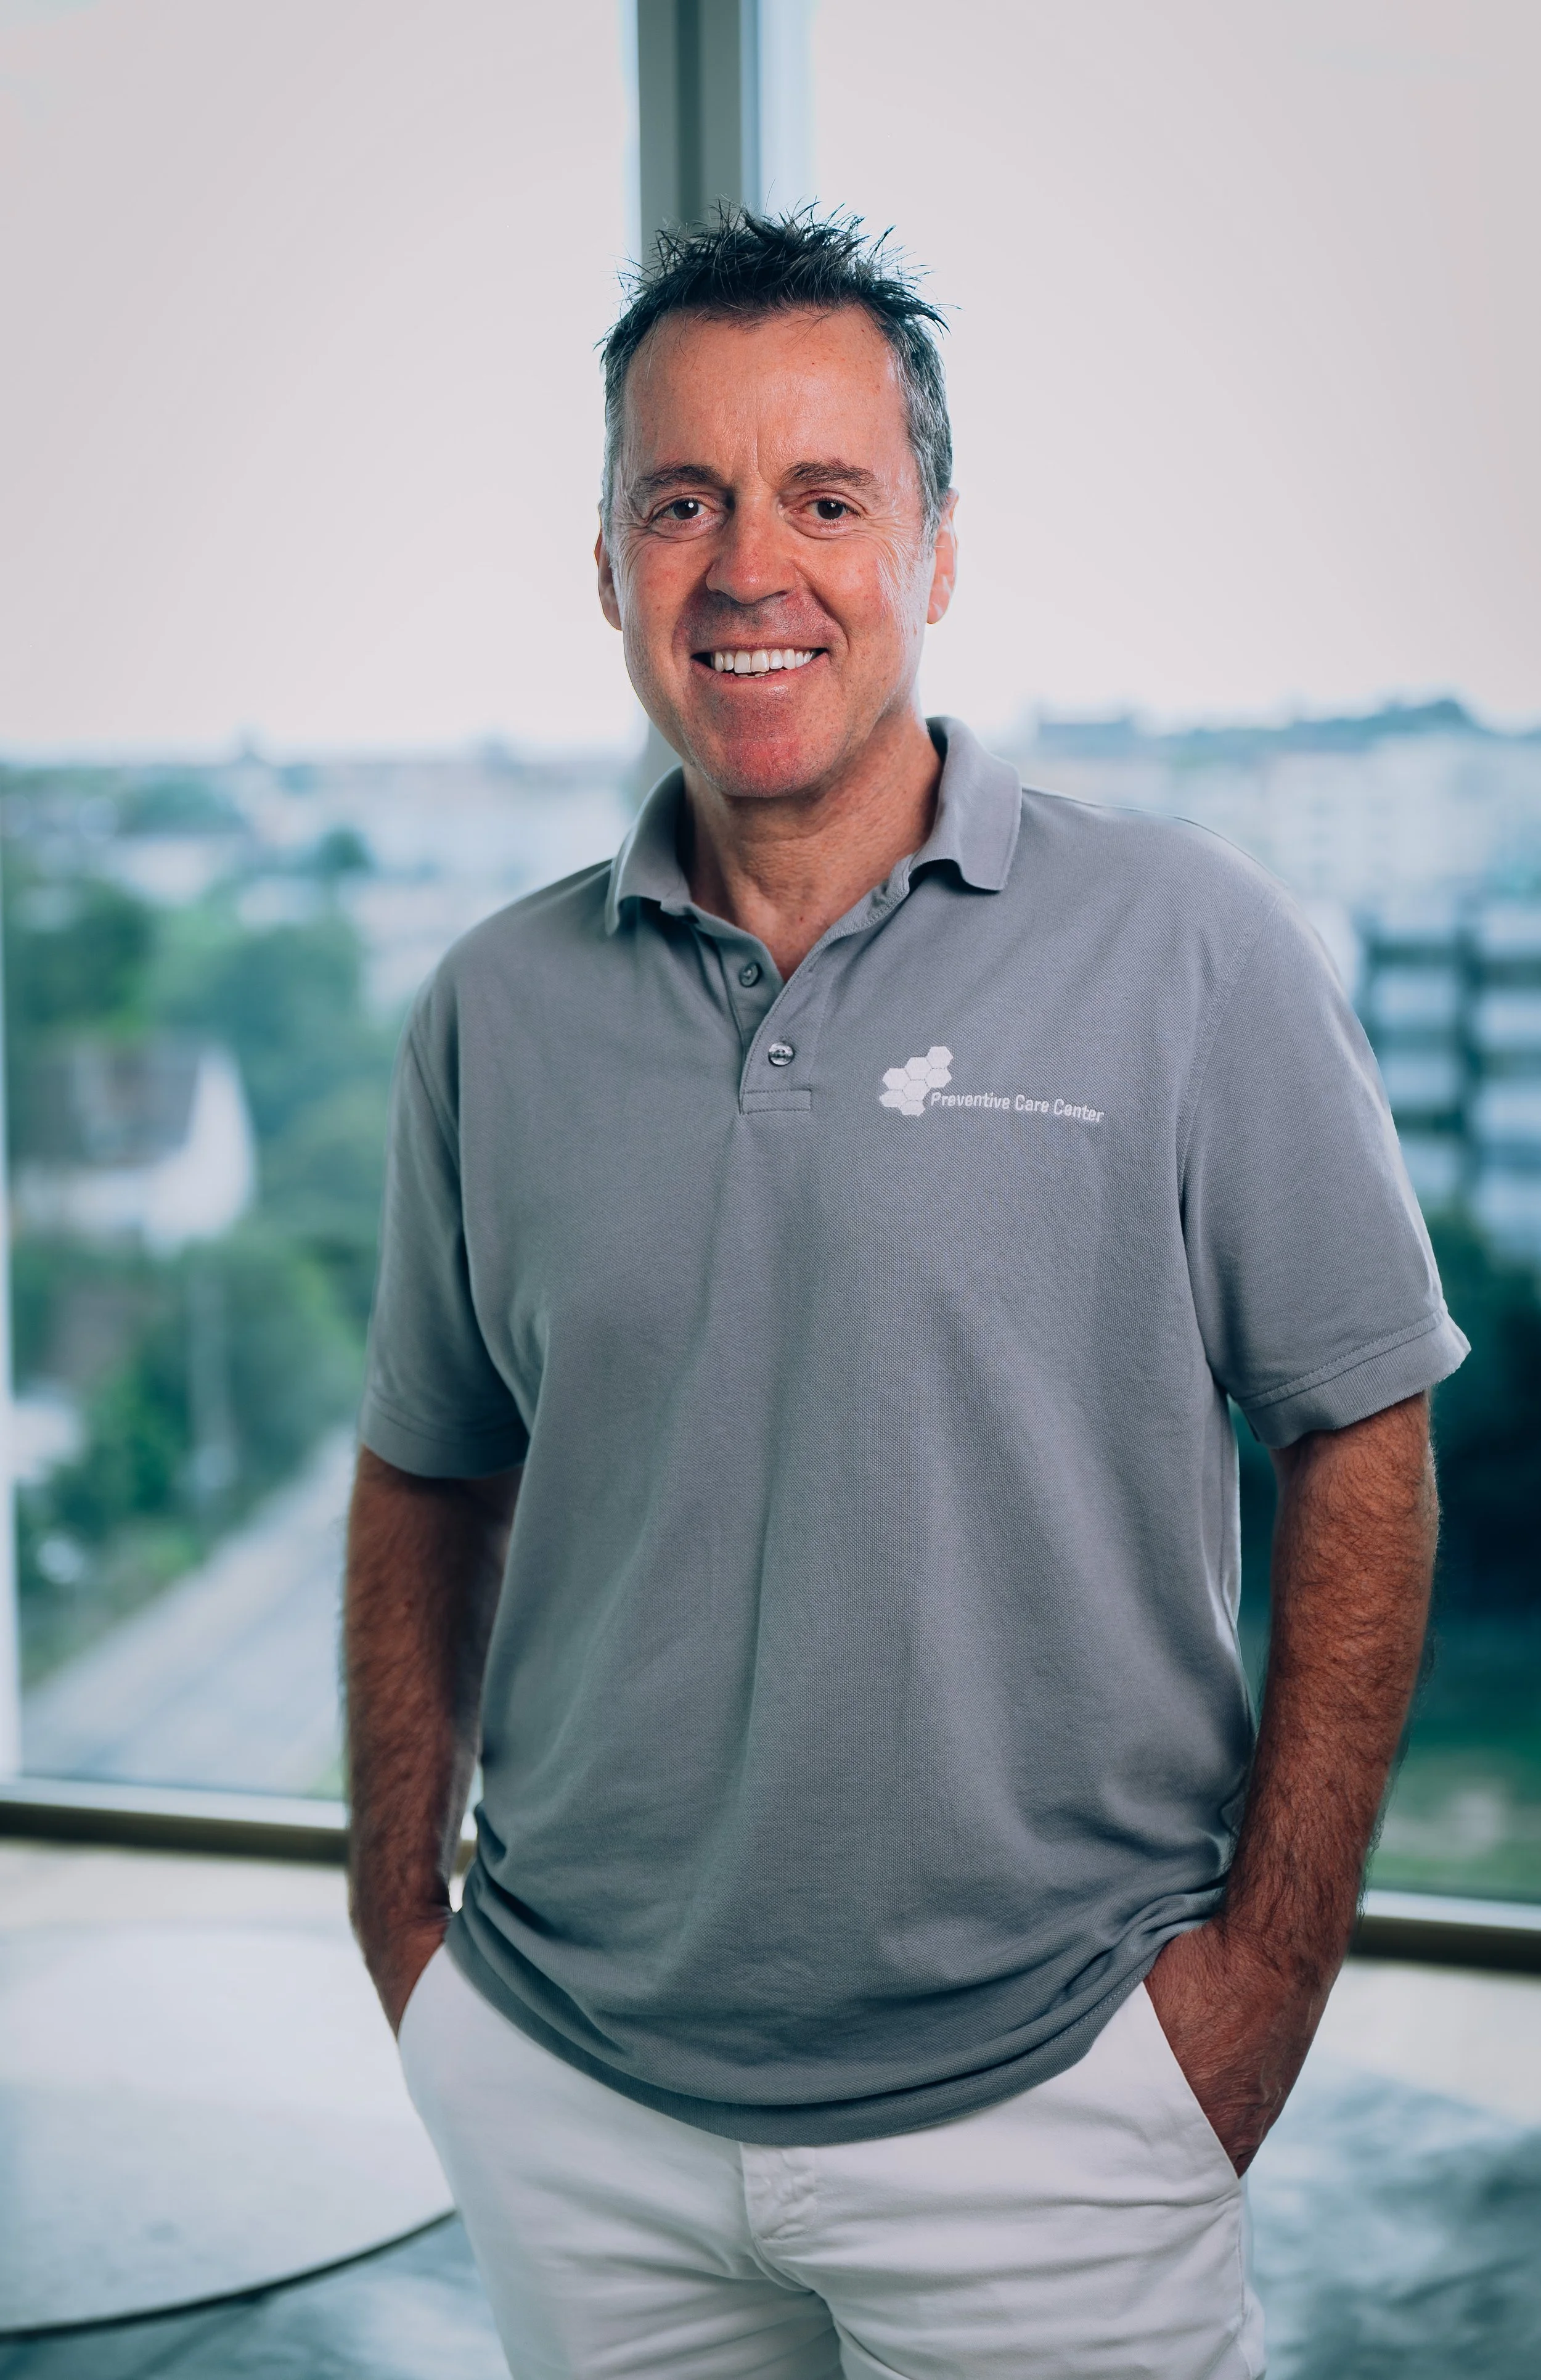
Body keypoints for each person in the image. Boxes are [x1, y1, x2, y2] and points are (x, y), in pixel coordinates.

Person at [345, 212, 1466, 2379]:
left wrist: (1259, 1984)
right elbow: (427, 1466)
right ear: (605, 565)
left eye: (824, 496)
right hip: (577, 2106)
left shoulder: (1186, 946)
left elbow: (1363, 1431)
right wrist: (410, 1940)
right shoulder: (491, 1010)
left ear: (934, 551)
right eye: (682, 500)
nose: (748, 565)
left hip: (1058, 2109)